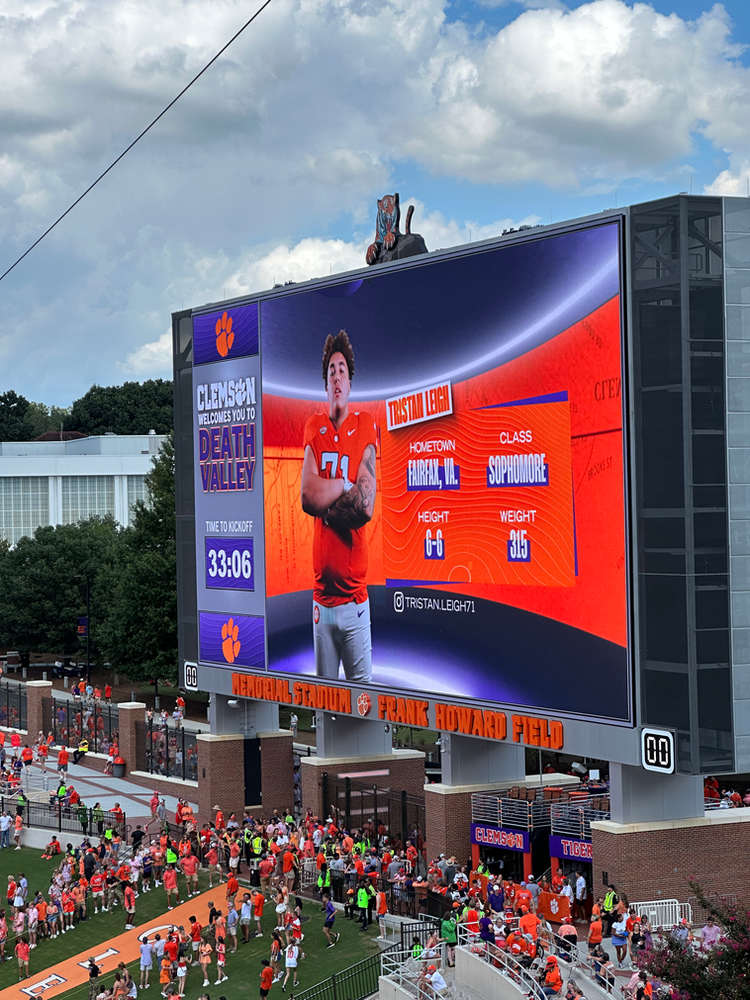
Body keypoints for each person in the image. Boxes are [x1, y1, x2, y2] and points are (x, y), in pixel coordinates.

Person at [300, 330, 377, 683]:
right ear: (325, 382)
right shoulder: (313, 427)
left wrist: (326, 506)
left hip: (354, 603)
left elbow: (364, 506)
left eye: (342, 370)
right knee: (324, 712)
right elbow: (307, 497)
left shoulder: (366, 426)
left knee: (363, 709)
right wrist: (343, 486)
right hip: (320, 603)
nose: (336, 376)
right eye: (331, 370)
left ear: (350, 381)